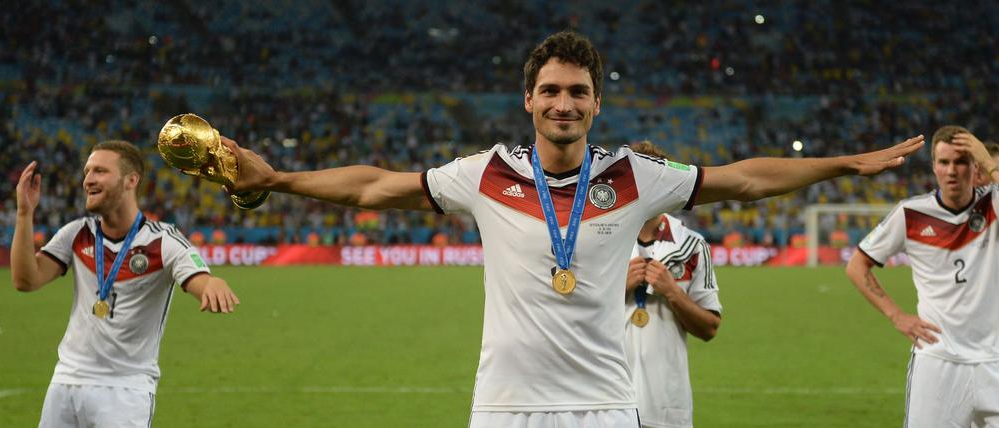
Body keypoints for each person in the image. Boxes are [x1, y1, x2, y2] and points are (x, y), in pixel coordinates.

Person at [223, 31, 922, 427]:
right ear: (528, 99)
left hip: (605, 409)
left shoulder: (635, 175)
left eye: (578, 91)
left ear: (596, 103)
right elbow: (376, 187)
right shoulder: (487, 173)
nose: (564, 103)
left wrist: (840, 165)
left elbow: (744, 179)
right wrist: (277, 179)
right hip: (504, 408)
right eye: (551, 91)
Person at [11, 140, 240, 427]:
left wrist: (212, 284)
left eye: (100, 171)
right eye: (87, 172)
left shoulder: (163, 240)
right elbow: (25, 280)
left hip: (124, 390)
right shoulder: (76, 233)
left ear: (131, 180)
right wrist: (24, 214)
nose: (88, 180)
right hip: (66, 382)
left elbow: (199, 279)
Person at [846, 126, 999, 428]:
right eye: (944, 162)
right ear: (933, 167)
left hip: (994, 360)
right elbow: (856, 266)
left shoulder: (993, 205)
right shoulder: (911, 214)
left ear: (975, 166)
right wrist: (896, 316)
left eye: (962, 161)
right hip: (937, 361)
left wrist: (991, 163)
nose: (952, 171)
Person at [624, 142, 721, 428]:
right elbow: (570, 316)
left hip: (665, 405)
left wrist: (673, 292)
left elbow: (709, 328)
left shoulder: (691, 245)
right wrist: (618, 289)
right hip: (605, 402)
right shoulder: (598, 238)